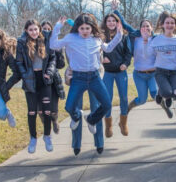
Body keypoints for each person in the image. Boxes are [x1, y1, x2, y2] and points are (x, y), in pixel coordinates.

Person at [50, 14, 123, 154]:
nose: (84, 31)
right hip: (78, 77)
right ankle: (77, 116)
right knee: (69, 106)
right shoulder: (71, 38)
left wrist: (119, 35)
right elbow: (53, 45)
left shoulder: (96, 39)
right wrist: (58, 27)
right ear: (77, 28)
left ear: (92, 28)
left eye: (87, 28)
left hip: (94, 76)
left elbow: (108, 48)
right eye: (82, 28)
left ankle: (91, 119)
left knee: (107, 104)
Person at [16, 20, 56, 154]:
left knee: (47, 111)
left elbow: (52, 59)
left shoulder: (46, 41)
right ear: (27, 31)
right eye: (31, 30)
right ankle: (33, 138)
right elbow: (19, 62)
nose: (34, 32)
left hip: (44, 80)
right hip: (30, 80)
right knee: (32, 111)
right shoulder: (22, 43)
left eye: (36, 29)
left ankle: (47, 136)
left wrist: (49, 73)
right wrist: (24, 75)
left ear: (39, 29)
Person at [111, 0, 157, 114]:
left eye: (148, 26)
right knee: (142, 100)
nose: (145, 28)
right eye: (143, 26)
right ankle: (130, 106)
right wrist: (115, 10)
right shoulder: (135, 36)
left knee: (155, 92)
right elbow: (124, 24)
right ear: (140, 28)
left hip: (153, 73)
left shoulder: (156, 39)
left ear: (151, 27)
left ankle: (164, 103)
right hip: (139, 73)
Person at [148, 12, 176, 119]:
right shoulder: (156, 40)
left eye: (172, 23)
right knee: (167, 93)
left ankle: (164, 94)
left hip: (174, 72)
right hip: (161, 72)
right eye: (167, 23)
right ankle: (163, 94)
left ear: (175, 25)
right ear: (163, 25)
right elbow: (151, 54)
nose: (170, 25)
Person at [100, 13, 131, 137]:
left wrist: (126, 64)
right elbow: (95, 52)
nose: (111, 23)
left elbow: (128, 53)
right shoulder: (100, 36)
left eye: (114, 20)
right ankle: (108, 125)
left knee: (124, 97)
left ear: (118, 22)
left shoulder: (124, 36)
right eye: (109, 21)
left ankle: (123, 123)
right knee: (108, 98)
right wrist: (101, 59)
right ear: (105, 22)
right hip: (107, 72)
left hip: (120, 71)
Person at [40, 21, 66, 134]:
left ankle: (54, 120)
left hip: (53, 79)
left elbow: (61, 65)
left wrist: (59, 52)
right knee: (41, 109)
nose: (46, 30)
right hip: (40, 79)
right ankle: (46, 124)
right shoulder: (37, 43)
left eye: (48, 28)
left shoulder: (56, 44)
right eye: (44, 28)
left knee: (53, 109)